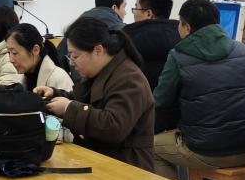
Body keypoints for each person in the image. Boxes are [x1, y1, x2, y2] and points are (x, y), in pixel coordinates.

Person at [150, 0, 245, 179]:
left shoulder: (178, 56)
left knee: (153, 146)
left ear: (187, 28)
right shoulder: (244, 51)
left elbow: (161, 101)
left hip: (206, 151)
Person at [35, 17, 155, 170]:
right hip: (104, 159)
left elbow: (114, 126)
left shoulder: (129, 78)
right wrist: (54, 94)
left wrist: (68, 108)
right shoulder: (103, 71)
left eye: (75, 56)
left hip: (128, 166)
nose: (71, 62)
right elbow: (85, 100)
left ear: (98, 50)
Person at [123, 0, 181, 89]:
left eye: (136, 8)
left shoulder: (127, 39)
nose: (133, 13)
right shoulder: (183, 36)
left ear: (148, 14)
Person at [5, 23, 73, 93]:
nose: (11, 60)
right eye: (8, 52)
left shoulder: (58, 78)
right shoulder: (19, 79)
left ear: (35, 50)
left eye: (14, 53)